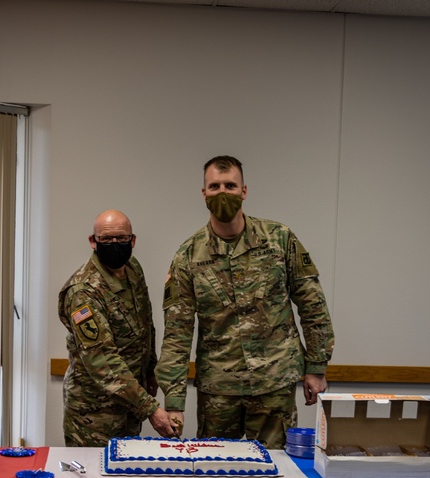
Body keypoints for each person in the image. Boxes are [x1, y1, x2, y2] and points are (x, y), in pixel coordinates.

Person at [156, 155, 335, 449]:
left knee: (277, 473)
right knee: (215, 474)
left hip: (273, 383)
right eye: (214, 186)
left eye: (230, 185)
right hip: (219, 391)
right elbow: (177, 333)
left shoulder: (279, 240)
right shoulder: (188, 256)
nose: (222, 192)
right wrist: (174, 401)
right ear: (204, 194)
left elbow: (312, 304)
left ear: (244, 191)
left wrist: (316, 366)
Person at [58, 209, 175, 446]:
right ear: (93, 241)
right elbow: (103, 361)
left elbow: (144, 324)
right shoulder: (83, 291)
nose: (115, 244)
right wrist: (150, 408)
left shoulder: (132, 269)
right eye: (106, 239)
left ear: (132, 240)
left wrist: (150, 369)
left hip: (129, 406)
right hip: (94, 415)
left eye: (121, 239)